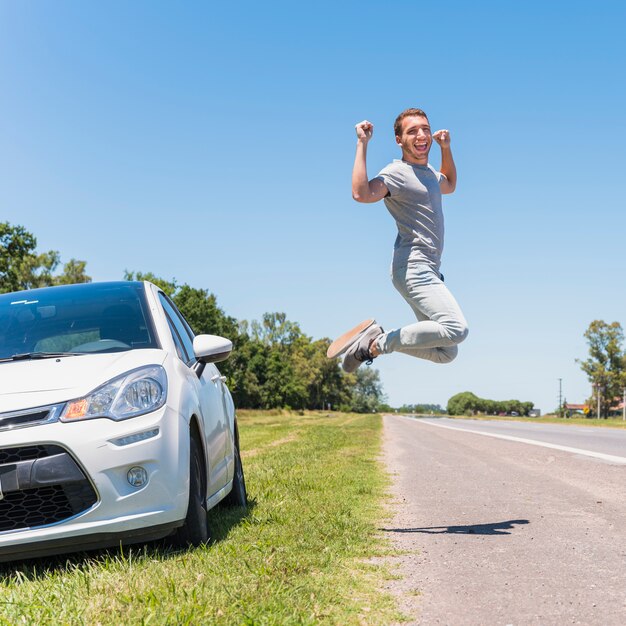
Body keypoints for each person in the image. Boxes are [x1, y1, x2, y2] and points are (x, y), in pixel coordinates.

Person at [328, 108, 469, 372]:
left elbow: (449, 183)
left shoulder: (428, 174)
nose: (421, 135)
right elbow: (361, 193)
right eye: (412, 131)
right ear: (399, 140)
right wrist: (362, 143)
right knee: (456, 328)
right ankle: (379, 342)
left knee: (446, 351)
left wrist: (446, 148)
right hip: (414, 268)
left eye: (425, 129)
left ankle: (369, 345)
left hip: (429, 270)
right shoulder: (397, 173)